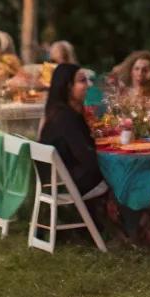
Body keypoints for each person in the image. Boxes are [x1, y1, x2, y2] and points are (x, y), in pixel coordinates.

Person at [38, 62, 106, 199]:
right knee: (122, 176)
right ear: (68, 86)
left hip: (56, 180)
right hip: (67, 185)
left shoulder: (57, 112)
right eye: (82, 81)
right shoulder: (66, 118)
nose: (88, 85)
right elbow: (89, 160)